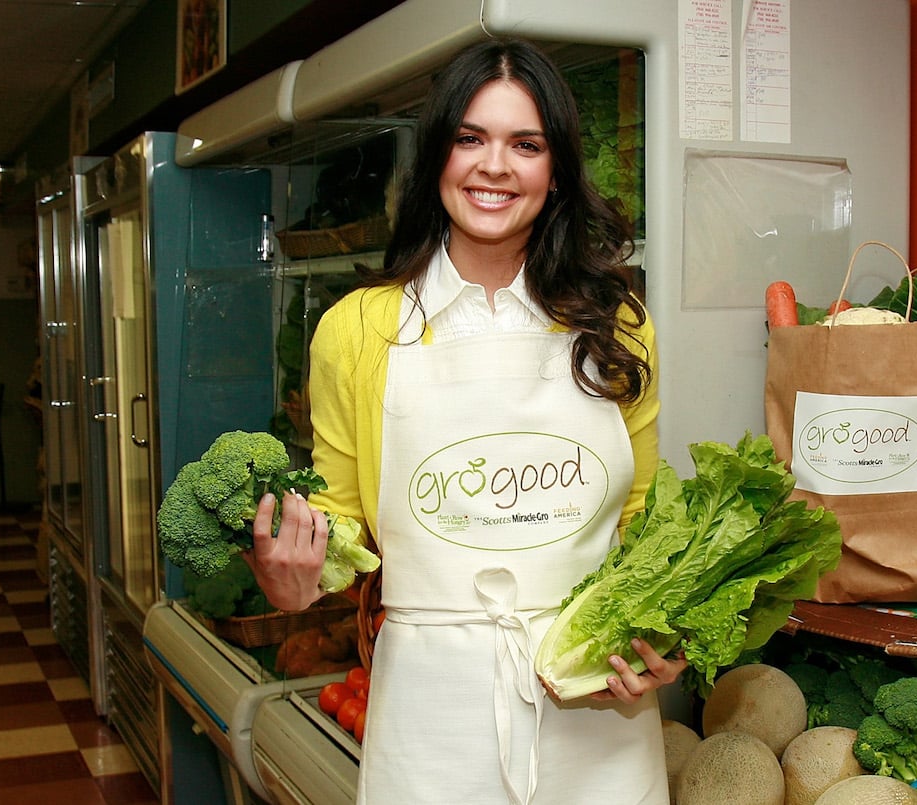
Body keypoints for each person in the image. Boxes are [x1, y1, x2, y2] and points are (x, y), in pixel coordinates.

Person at [243, 36, 685, 804]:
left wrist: (665, 642)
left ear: (557, 170)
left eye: (526, 144)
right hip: (430, 716)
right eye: (470, 138)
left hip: (596, 705)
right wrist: (289, 580)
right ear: (437, 157)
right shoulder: (357, 331)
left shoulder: (617, 325)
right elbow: (340, 524)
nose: (494, 166)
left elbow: (642, 518)